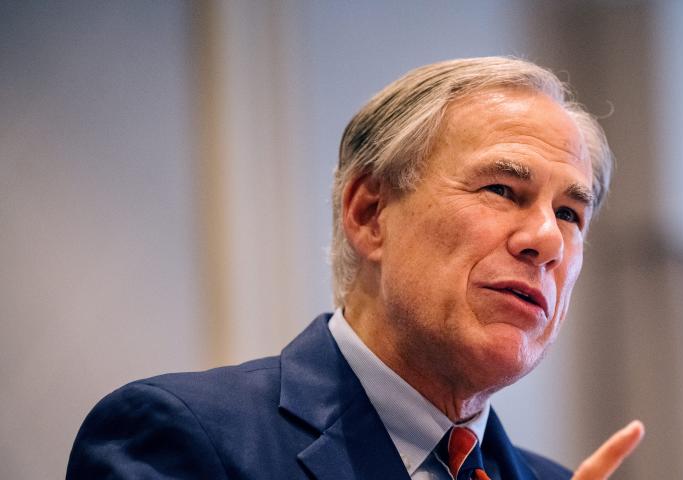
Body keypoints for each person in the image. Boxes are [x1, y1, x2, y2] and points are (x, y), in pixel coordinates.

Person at [67, 57, 644, 479]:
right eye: (501, 188)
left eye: (570, 213)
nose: (546, 239)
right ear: (369, 213)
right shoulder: (182, 440)